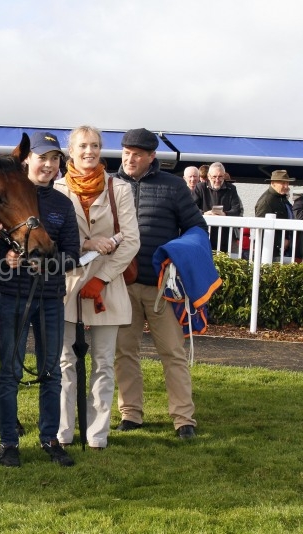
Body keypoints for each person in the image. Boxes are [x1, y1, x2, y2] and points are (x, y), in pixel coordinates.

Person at [0, 131, 80, 469]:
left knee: (51, 371)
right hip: (12, 295)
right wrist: (4, 257)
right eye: (43, 158)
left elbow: (72, 255)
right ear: (27, 159)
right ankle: (8, 441)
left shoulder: (63, 204)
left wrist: (48, 264)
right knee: (9, 372)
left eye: (55, 159)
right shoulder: (6, 193)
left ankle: (50, 438)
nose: (49, 165)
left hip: (50, 297)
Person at [113, 128, 206, 440]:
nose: (130, 159)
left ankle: (183, 419)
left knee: (173, 353)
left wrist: (176, 253)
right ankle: (130, 414)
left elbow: (196, 228)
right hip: (121, 285)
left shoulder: (174, 186)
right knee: (124, 353)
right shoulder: (109, 186)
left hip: (161, 288)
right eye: (126, 153)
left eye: (137, 154)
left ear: (152, 156)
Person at [53, 126, 139, 450]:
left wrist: (101, 279)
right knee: (65, 362)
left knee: (103, 362)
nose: (89, 151)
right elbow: (52, 238)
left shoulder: (119, 189)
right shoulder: (56, 188)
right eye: (83, 146)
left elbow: (131, 241)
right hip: (66, 286)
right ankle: (62, 432)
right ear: (71, 150)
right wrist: (86, 243)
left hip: (108, 286)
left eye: (95, 145)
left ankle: (97, 435)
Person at [191, 162, 244, 253]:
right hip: (203, 233)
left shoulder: (231, 189)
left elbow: (237, 210)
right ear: (208, 176)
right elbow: (191, 208)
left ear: (224, 175)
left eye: (220, 177)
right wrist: (204, 213)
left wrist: (224, 214)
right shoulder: (200, 188)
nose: (217, 180)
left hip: (224, 236)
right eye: (214, 177)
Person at [255, 170, 299, 260]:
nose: (286, 186)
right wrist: (280, 242)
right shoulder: (266, 201)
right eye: (283, 183)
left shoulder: (282, 198)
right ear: (273, 183)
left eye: (287, 183)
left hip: (284, 249)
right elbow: (262, 228)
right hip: (272, 251)